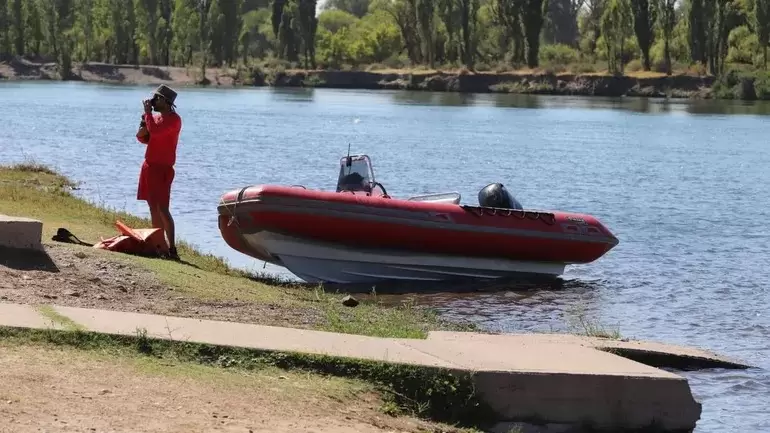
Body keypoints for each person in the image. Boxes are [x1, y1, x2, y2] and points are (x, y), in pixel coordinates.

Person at [135, 84, 182, 260]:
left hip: (162, 169)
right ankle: (158, 246)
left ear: (165, 101)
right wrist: (143, 124)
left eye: (156, 98)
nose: (153, 102)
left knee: (162, 208)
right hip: (149, 166)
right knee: (152, 207)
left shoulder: (174, 120)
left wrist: (147, 114)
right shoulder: (155, 117)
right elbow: (144, 138)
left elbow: (155, 131)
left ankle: (172, 249)